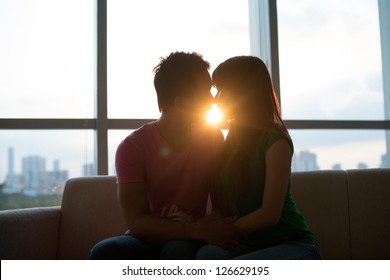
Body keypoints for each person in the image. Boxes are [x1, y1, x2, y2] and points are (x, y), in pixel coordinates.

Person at [88, 51, 243, 260]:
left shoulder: (212, 139)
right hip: (147, 239)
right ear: (181, 104)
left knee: (177, 249)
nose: (213, 99)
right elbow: (136, 222)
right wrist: (194, 229)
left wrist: (196, 228)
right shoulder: (132, 147)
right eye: (206, 92)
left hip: (187, 239)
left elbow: (223, 205)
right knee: (104, 252)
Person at [193, 55, 323, 259]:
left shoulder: (275, 139)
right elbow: (230, 208)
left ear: (242, 90)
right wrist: (195, 226)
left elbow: (270, 213)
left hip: (294, 244)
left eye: (221, 89)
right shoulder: (232, 141)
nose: (216, 99)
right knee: (206, 254)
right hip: (252, 245)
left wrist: (224, 230)